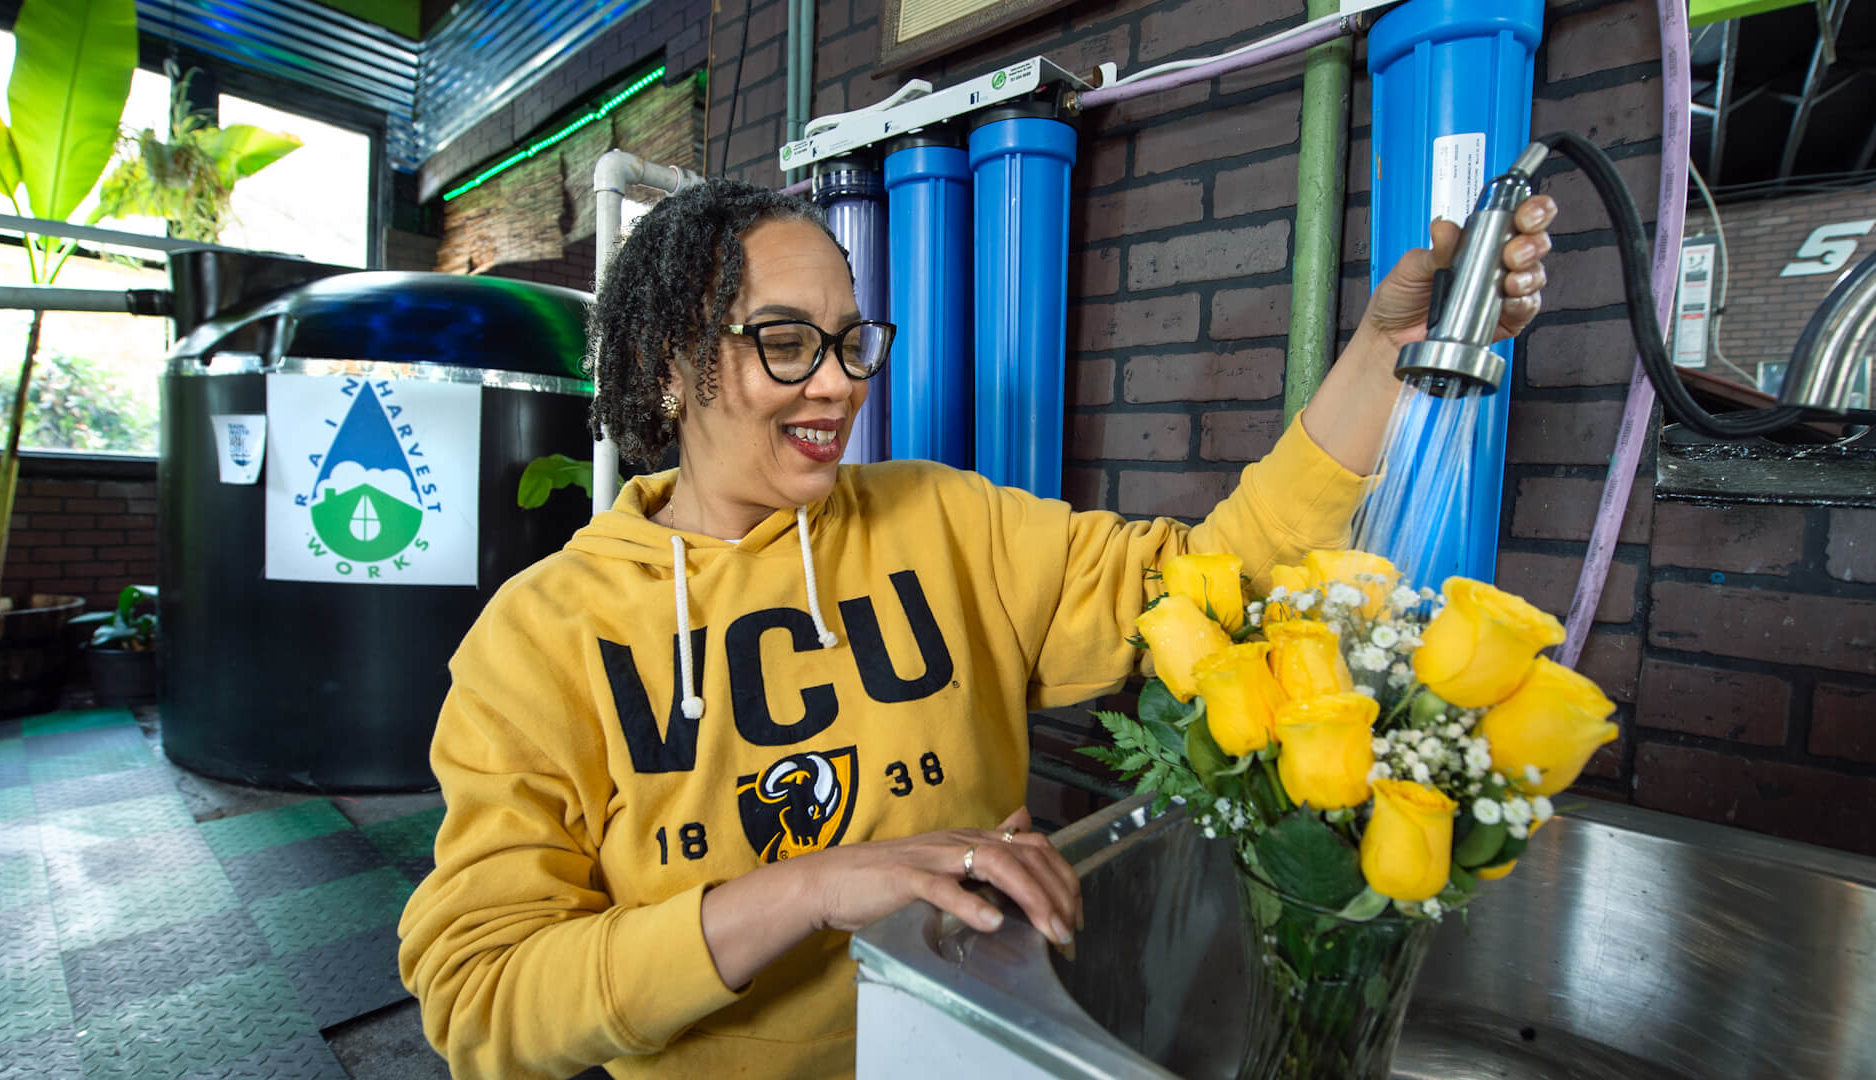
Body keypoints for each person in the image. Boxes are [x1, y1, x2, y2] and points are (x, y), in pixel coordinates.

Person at [398, 177, 1557, 1080]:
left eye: (852, 341)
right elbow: (484, 1000)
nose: (838, 385)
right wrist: (816, 886)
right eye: (786, 343)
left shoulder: (948, 524)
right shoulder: (539, 638)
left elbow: (1212, 580)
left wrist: (1380, 355)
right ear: (669, 367)